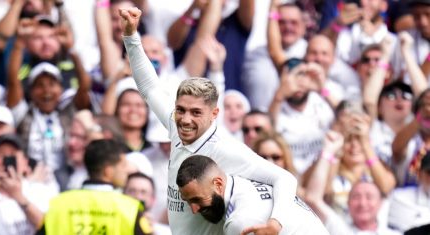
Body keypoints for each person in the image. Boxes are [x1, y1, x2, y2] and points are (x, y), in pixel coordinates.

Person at [120, 7, 298, 235]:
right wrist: (131, 35)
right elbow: (149, 87)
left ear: (214, 114)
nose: (185, 120)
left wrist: (275, 223)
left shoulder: (225, 149)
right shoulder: (174, 124)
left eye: (196, 113)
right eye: (181, 110)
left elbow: (284, 178)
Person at [176, 155, 329, 235]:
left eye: (197, 199)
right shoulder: (246, 180)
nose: (194, 209)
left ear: (218, 184)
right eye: (188, 201)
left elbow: (287, 178)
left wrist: (275, 223)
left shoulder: (239, 222)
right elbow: (286, 178)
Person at [36, 139, 153, 235]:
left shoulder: (58, 204)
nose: (127, 170)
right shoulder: (130, 208)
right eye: (122, 165)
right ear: (108, 171)